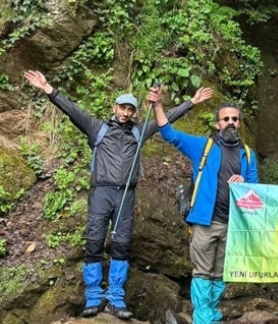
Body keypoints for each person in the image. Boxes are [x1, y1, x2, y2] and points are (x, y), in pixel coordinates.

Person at [22, 70, 211, 319]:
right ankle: (93, 297)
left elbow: (165, 120)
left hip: (126, 195)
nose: (126, 113)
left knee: (121, 244)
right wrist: (48, 88)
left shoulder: (138, 131)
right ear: (115, 107)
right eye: (122, 108)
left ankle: (115, 298)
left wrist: (191, 103)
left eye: (130, 110)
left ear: (134, 112)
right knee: (94, 242)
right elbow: (72, 110)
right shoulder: (97, 128)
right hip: (101, 192)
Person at [154, 97, 259, 324]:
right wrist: (157, 106)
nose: (230, 122)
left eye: (234, 119)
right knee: (202, 271)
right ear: (217, 124)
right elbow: (169, 133)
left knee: (221, 272)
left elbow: (256, 192)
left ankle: (211, 311)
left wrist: (245, 184)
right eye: (226, 119)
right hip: (204, 222)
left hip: (233, 224)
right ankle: (202, 316)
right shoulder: (204, 146)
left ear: (239, 123)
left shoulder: (248, 155)